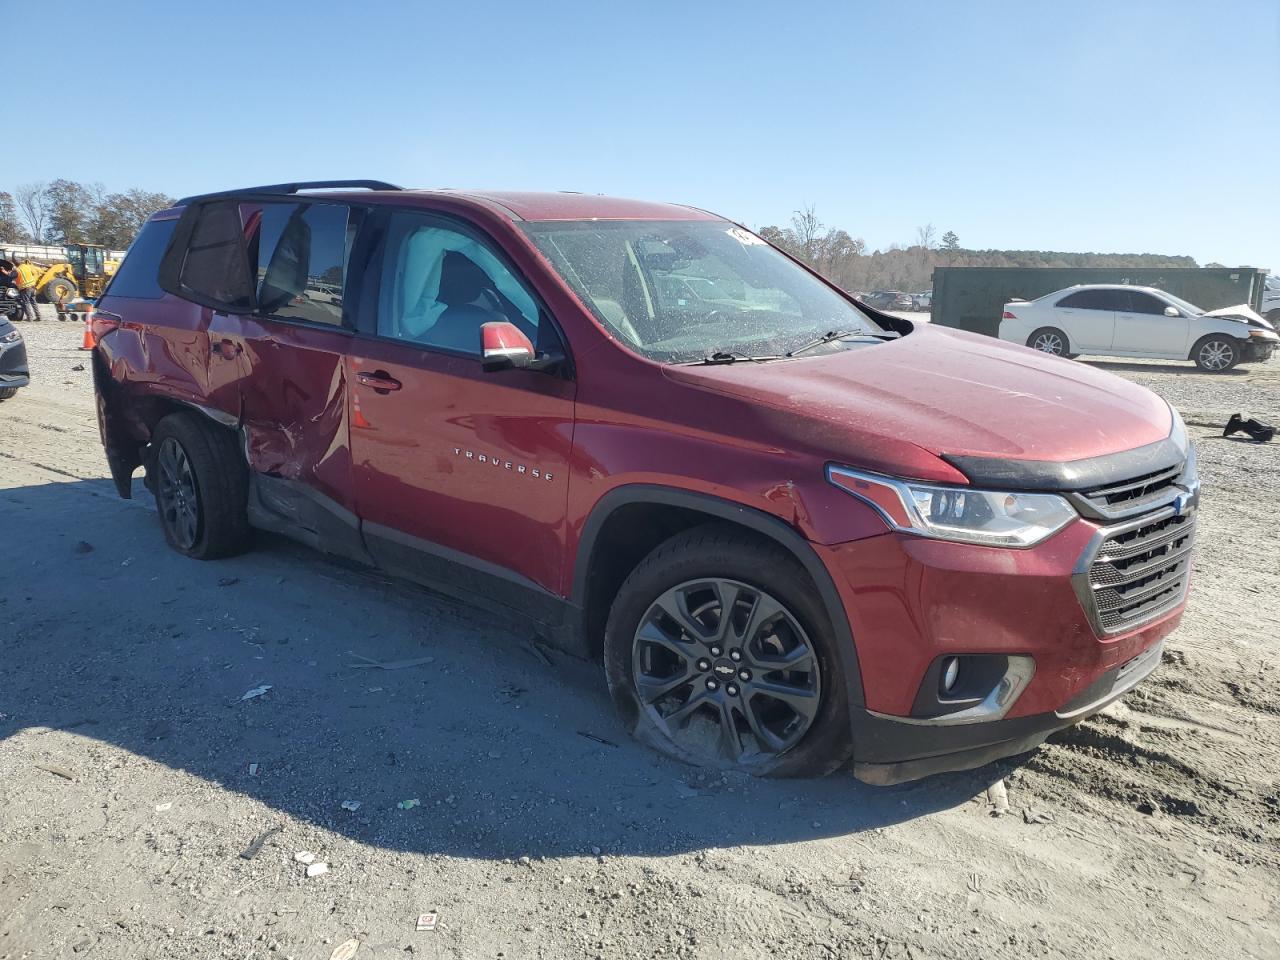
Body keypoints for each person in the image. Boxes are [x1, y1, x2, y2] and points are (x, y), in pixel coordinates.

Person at [14, 257, 41, 321]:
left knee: (26, 303)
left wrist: (4, 271)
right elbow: (35, 273)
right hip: (32, 287)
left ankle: (29, 317)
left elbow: (11, 276)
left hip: (25, 288)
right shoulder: (27, 266)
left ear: (15, 263)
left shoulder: (18, 270)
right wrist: (34, 280)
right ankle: (38, 316)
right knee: (34, 302)